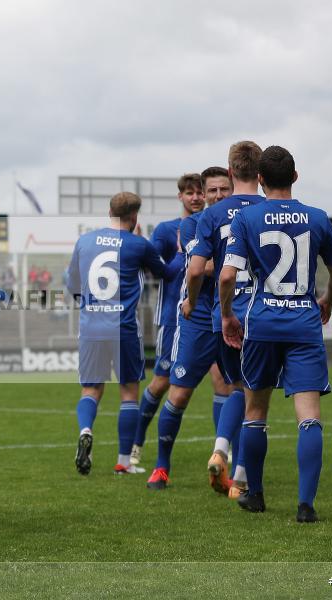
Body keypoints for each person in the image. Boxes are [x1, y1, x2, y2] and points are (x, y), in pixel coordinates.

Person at [220, 145, 332, 522]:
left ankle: (255, 495)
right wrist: (326, 301)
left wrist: (227, 315)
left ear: (260, 180)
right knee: (309, 416)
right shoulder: (318, 217)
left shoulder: (246, 218)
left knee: (255, 411)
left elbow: (227, 275)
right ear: (295, 176)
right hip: (304, 323)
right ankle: (306, 505)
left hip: (262, 324)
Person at [66, 191, 179, 477]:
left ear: (110, 212)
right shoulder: (138, 245)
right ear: (134, 216)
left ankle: (86, 430)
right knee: (128, 393)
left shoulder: (85, 241)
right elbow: (167, 274)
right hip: (124, 327)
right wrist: (181, 253)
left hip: (91, 327)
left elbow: (73, 286)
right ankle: (124, 461)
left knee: (91, 389)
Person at [145, 165, 239, 490]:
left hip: (233, 313)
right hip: (197, 316)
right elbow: (205, 267)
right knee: (179, 392)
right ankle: (161, 466)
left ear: (232, 189)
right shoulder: (191, 224)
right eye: (211, 190)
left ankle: (229, 464)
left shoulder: (242, 219)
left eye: (222, 190)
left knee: (229, 389)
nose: (216, 195)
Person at [187, 142, 265, 498]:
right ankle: (242, 479)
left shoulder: (213, 215)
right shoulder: (271, 208)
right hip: (265, 314)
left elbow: (195, 269)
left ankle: (221, 447)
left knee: (234, 387)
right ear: (260, 173)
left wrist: (191, 300)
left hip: (227, 315)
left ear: (231, 173)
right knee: (256, 399)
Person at [131, 172, 206, 466]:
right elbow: (156, 271)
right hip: (174, 318)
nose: (196, 197)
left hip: (210, 319)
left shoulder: (214, 225)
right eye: (190, 193)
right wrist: (178, 254)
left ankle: (225, 453)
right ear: (181, 197)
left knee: (224, 383)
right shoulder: (165, 231)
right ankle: (136, 444)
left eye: (200, 192)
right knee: (161, 383)